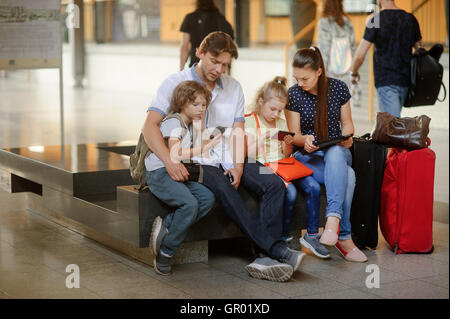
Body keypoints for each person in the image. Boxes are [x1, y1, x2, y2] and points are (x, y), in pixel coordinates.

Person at [142, 31, 305, 282]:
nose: (219, 69)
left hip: (231, 155)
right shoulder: (175, 82)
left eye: (225, 64)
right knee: (227, 188)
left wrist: (239, 166)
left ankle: (263, 256)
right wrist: (169, 160)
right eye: (213, 61)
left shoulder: (233, 87)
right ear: (199, 52)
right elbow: (149, 126)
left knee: (273, 183)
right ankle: (274, 250)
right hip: (201, 161)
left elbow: (238, 131)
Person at [285, 46, 368, 263]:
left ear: (319, 71)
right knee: (348, 177)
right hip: (307, 156)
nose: (300, 83)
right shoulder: (293, 94)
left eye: (305, 78)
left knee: (335, 153)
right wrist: (305, 140)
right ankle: (343, 235)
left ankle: (332, 221)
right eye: (297, 78)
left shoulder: (339, 88)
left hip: (337, 152)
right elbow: (294, 136)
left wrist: (347, 136)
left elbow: (348, 124)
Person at [244, 76, 331, 259]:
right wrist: (264, 136)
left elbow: (286, 153)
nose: (276, 114)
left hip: (285, 164)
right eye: (272, 109)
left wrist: (287, 143)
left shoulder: (282, 123)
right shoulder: (250, 120)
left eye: (279, 110)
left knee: (314, 187)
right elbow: (249, 156)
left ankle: (312, 235)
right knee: (290, 193)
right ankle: (284, 237)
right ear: (261, 102)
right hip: (264, 166)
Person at [147, 81, 222, 275]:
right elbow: (175, 153)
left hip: (177, 170)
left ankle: (167, 227)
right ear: (182, 103)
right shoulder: (174, 121)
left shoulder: (188, 126)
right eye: (195, 104)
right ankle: (166, 251)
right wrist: (204, 148)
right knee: (190, 204)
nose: (201, 109)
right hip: (159, 172)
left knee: (207, 198)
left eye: (204, 104)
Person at [350, 0, 422, 117]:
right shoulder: (410, 19)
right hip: (406, 80)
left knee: (392, 126)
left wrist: (353, 72)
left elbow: (360, 55)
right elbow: (419, 49)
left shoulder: (376, 20)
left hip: (386, 80)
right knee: (390, 122)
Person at [179, 0, 234, 70]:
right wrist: (228, 70)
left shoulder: (190, 18)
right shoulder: (220, 18)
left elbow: (184, 46)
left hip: (196, 65)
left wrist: (181, 69)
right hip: (217, 67)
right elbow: (229, 45)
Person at [317, 0, 356, 86]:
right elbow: (353, 48)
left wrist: (320, 74)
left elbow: (324, 50)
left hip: (330, 74)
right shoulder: (347, 22)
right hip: (347, 72)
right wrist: (353, 71)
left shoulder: (324, 22)